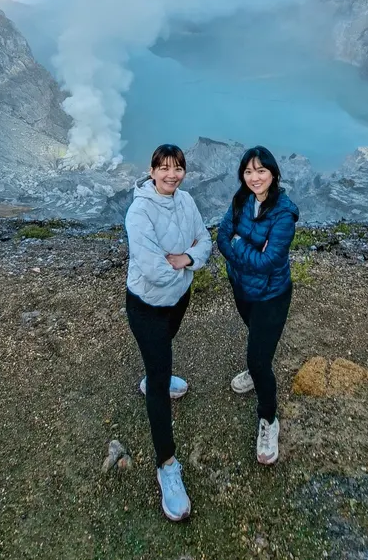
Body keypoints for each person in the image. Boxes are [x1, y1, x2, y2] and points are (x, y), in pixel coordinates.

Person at [125, 143, 211, 522]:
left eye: (177, 168)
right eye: (164, 168)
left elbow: (205, 240)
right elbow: (151, 268)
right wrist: (186, 265)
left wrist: (187, 258)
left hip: (178, 299)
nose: (171, 174)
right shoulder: (139, 211)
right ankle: (167, 466)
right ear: (152, 171)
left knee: (161, 355)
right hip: (146, 306)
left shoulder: (187, 201)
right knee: (160, 379)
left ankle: (153, 375)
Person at [217, 146, 298, 465]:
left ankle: (269, 419)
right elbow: (222, 238)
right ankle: (256, 370)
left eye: (261, 170)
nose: (254, 177)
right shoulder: (240, 200)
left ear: (273, 174)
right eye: (248, 171)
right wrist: (245, 246)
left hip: (271, 295)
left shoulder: (283, 214)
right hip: (242, 288)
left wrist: (238, 243)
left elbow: (268, 262)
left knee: (259, 360)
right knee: (255, 337)